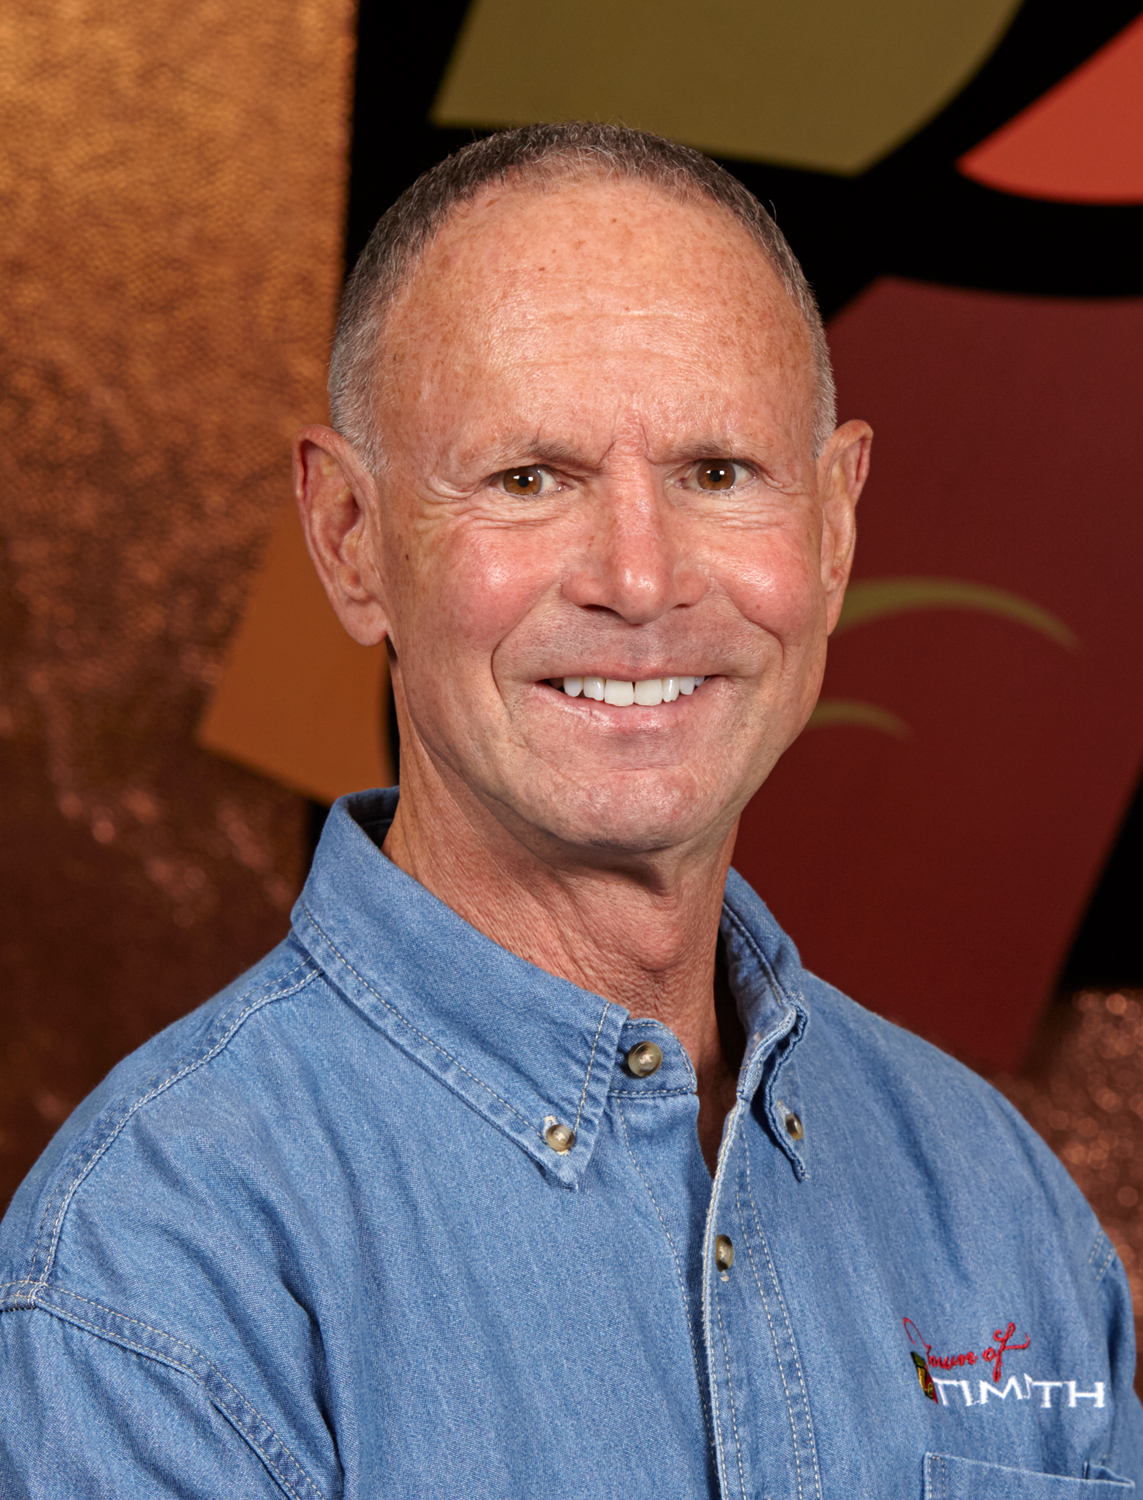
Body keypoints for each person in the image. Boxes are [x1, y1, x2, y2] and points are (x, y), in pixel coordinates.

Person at [1, 122, 1139, 1498]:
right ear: (350, 540)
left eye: (719, 472)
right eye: (530, 478)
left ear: (834, 532)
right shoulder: (155, 1281)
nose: (640, 580)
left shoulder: (1000, 1207)